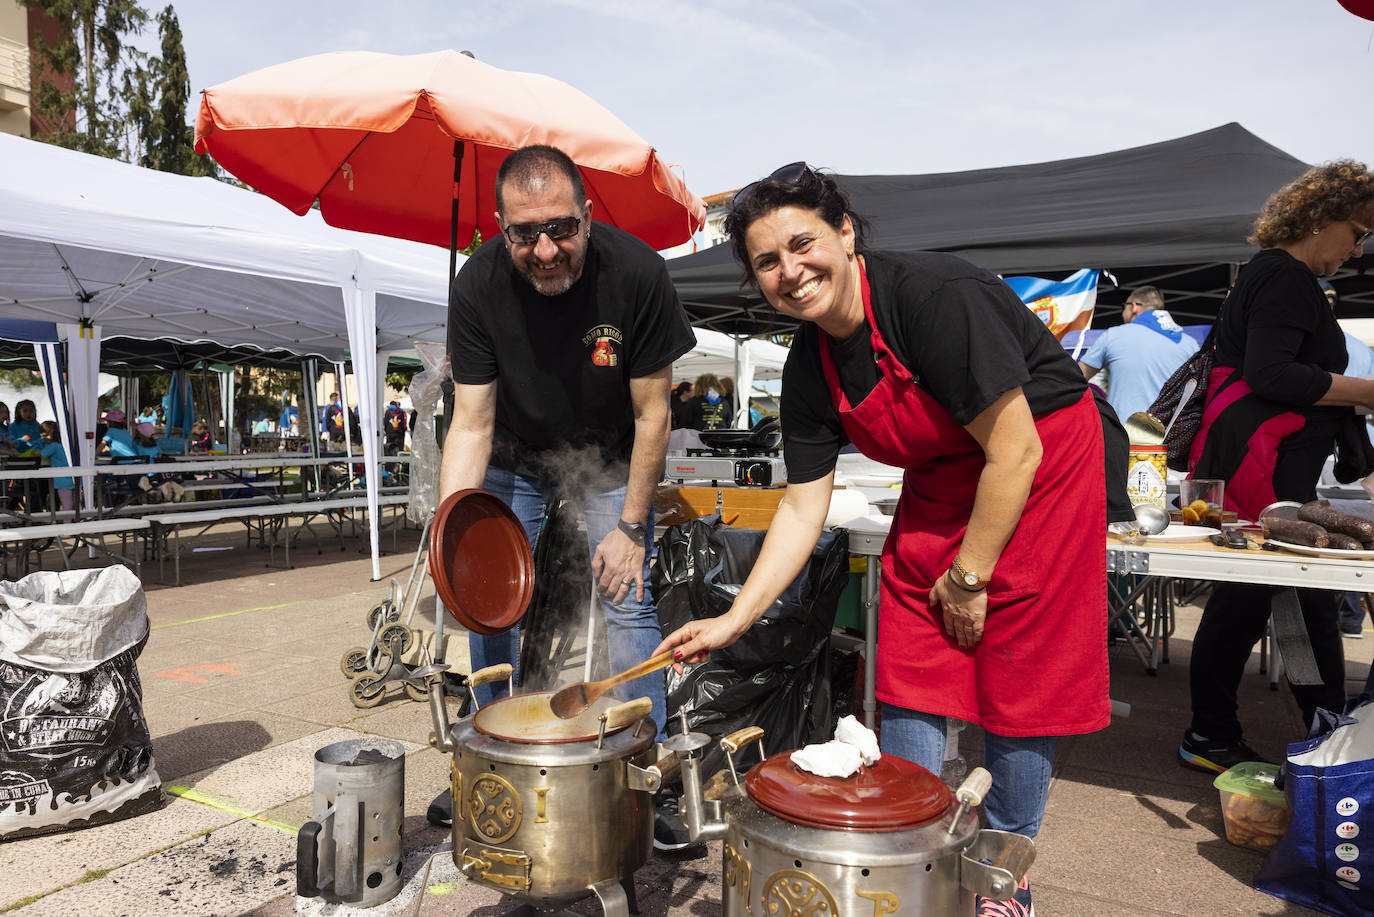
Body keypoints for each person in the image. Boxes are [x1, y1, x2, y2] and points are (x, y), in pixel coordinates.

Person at [654, 162, 1112, 916]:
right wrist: (736, 618)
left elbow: (1016, 449)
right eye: (767, 262)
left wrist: (971, 575)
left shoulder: (934, 298)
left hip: (1038, 468)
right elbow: (803, 506)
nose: (790, 272)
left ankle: (1003, 874)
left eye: (803, 244)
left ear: (846, 232)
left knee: (1018, 674)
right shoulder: (810, 362)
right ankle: (910, 850)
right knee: (909, 650)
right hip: (941, 477)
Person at [434, 144, 696, 848]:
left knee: (626, 595)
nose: (545, 249)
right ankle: (490, 758)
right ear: (500, 226)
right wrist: (453, 529)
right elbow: (472, 421)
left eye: (561, 229)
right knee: (490, 599)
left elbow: (653, 416)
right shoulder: (478, 284)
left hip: (612, 458)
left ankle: (648, 771)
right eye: (525, 234)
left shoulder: (637, 274)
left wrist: (632, 531)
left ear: (587, 213)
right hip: (515, 454)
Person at [1181, 160, 1374, 775]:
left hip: (1262, 463)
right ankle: (1288, 734)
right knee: (1260, 598)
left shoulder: (1268, 273)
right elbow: (1272, 374)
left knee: (1289, 597)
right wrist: (1366, 387)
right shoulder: (1287, 279)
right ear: (1320, 219)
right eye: (1358, 231)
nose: (1359, 248)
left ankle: (1319, 730)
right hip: (1268, 468)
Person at [1077, 286, 1199, 421]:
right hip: (1171, 435)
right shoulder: (1190, 344)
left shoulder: (1113, 335)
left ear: (1134, 306)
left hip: (1123, 434)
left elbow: (1076, 377)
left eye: (1124, 306)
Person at [38, 421, 74, 510]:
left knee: (67, 507)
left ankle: (67, 524)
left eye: (44, 435)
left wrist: (24, 453)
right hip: (74, 479)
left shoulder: (53, 446)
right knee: (76, 506)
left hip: (62, 481)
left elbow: (41, 453)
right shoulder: (67, 444)